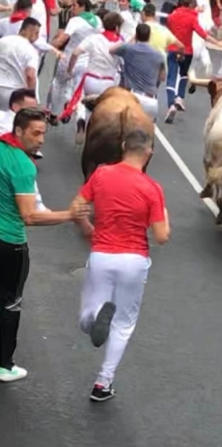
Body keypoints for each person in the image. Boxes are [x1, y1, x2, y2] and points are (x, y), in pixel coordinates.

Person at [70, 128, 170, 402]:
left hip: (101, 254)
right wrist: (164, 215)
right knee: (123, 323)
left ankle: (92, 318)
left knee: (88, 313)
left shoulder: (101, 174)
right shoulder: (152, 188)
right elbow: (162, 237)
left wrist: (88, 228)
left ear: (124, 146)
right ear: (149, 152)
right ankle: (102, 383)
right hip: (134, 260)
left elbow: (77, 206)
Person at [0, 108, 89, 383]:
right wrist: (69, 215)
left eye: (43, 134)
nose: (41, 140)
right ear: (19, 131)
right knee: (10, 304)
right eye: (35, 133)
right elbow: (30, 216)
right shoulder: (23, 165)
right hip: (10, 244)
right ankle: (4, 365)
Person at [62, 11, 123, 142]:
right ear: (117, 27)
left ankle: (81, 119)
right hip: (108, 83)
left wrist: (70, 68)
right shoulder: (121, 43)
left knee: (80, 98)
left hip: (90, 79)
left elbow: (76, 52)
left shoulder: (94, 38)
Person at [49, 0, 102, 140]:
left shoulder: (75, 21)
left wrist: (51, 45)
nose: (72, 9)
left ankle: (54, 114)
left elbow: (63, 39)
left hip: (69, 57)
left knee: (58, 83)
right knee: (79, 92)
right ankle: (80, 119)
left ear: (82, 6)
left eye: (74, 6)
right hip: (87, 61)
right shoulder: (97, 20)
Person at [165, 0, 222, 123]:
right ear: (191, 5)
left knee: (171, 77)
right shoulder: (192, 18)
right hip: (187, 51)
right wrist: (217, 42)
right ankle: (180, 97)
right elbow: (202, 34)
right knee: (183, 74)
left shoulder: (172, 16)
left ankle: (171, 103)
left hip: (173, 49)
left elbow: (169, 31)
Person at [0, 89, 46, 207]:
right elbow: (32, 213)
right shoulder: (21, 158)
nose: (41, 141)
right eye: (29, 109)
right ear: (15, 107)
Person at [112, 23, 166, 120]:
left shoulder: (128, 49)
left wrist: (131, 40)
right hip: (150, 100)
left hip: (131, 96)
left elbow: (111, 50)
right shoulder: (159, 55)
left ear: (136, 35)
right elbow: (162, 77)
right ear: (149, 36)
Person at [0, 17, 40, 111]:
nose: (37, 37)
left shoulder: (3, 41)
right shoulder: (30, 50)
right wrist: (32, 97)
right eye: (36, 33)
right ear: (28, 31)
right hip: (13, 94)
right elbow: (30, 75)